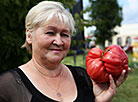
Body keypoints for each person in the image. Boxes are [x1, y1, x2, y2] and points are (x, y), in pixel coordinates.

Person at [0, 1, 130, 102]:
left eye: (65, 34)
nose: (59, 41)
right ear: (29, 36)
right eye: (50, 32)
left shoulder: (83, 77)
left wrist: (98, 101)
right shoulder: (7, 86)